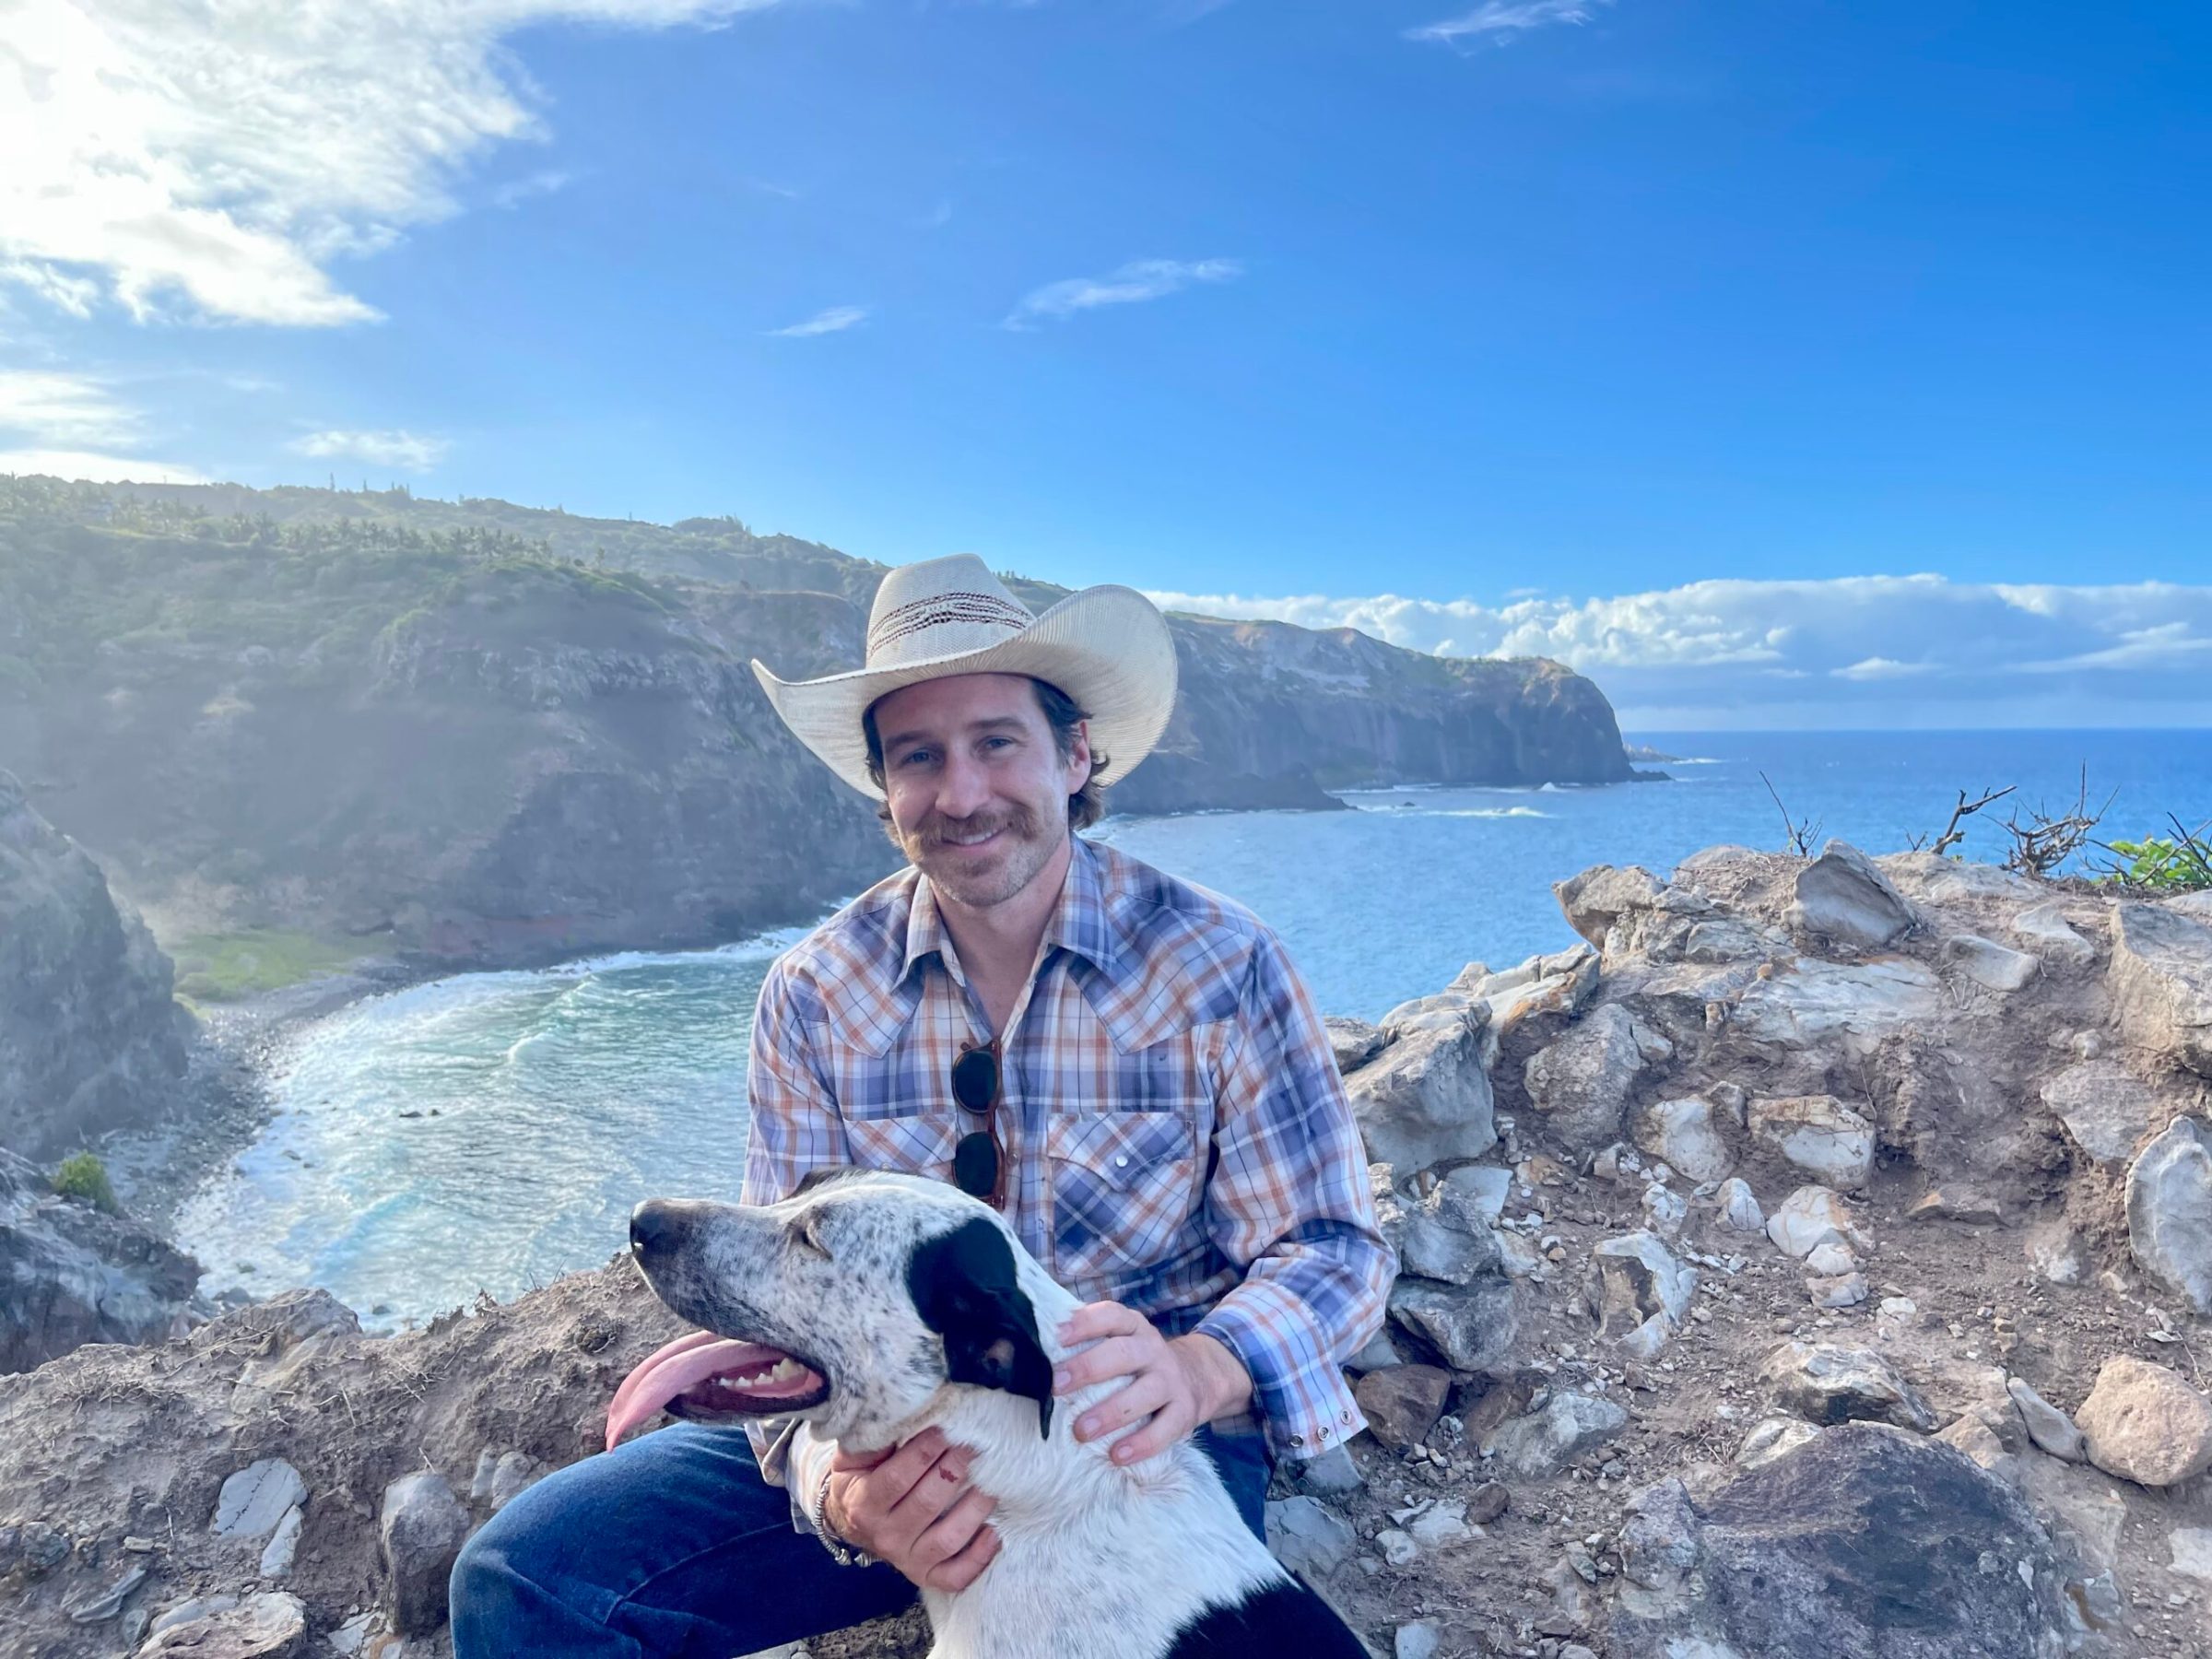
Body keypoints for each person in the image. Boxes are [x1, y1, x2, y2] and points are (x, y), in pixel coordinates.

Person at [450, 554, 1392, 1657]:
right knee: (526, 1578)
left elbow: (1333, 1248)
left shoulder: (1217, 964)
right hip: (873, 1432)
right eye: (919, 757)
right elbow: (775, 1302)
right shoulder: (813, 994)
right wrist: (839, 1494)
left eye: (997, 742)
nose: (961, 793)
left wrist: (1200, 1369)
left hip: (1124, 1441)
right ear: (884, 788)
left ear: (1075, 751)